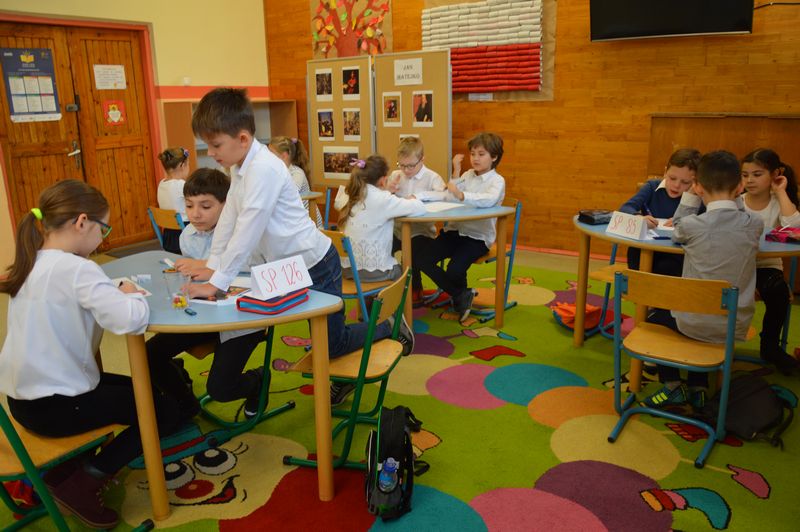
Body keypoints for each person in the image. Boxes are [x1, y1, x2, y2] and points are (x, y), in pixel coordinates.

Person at [178, 88, 414, 410]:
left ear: (243, 139)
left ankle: (388, 326)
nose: (211, 152)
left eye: (216, 145)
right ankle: (321, 373)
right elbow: (230, 216)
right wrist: (214, 264)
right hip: (287, 268)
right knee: (303, 330)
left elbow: (248, 229)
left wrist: (217, 280)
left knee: (331, 344)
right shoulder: (239, 167)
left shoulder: (263, 168)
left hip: (316, 265)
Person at [0, 179, 184, 529]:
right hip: (56, 406)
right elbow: (129, 320)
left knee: (137, 389)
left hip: (23, 402)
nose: (103, 238)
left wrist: (111, 291)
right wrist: (131, 294)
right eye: (104, 228)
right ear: (82, 222)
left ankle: (63, 473)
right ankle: (83, 483)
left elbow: (73, 297)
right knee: (161, 410)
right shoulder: (77, 269)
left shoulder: (33, 260)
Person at [641, 151, 763, 409]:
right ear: (740, 187)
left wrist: (690, 197)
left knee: (655, 317)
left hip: (693, 323)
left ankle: (673, 386)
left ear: (696, 187)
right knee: (702, 314)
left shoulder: (692, 226)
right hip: (734, 325)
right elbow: (740, 214)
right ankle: (698, 387)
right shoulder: (755, 223)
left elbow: (678, 226)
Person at [415, 132, 506, 323]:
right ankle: (461, 295)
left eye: (481, 154)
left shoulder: (497, 181)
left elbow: (488, 200)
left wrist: (462, 195)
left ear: (494, 157)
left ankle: (460, 297)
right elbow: (450, 197)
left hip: (477, 238)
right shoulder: (467, 175)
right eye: (472, 154)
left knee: (454, 270)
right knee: (421, 259)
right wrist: (456, 171)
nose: (475, 158)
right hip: (455, 232)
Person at [741, 148, 800, 373]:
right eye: (745, 175)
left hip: (766, 266)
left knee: (778, 293)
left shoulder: (779, 202)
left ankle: (770, 346)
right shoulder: (737, 202)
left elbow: (794, 229)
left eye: (757, 174)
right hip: (738, 265)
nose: (749, 180)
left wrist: (781, 191)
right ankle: (713, 342)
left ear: (775, 174)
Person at [335, 155, 425, 282]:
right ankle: (403, 295)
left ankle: (369, 296)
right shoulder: (383, 199)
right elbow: (419, 208)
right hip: (373, 272)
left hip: (347, 270)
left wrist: (386, 191)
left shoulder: (351, 193)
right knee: (404, 272)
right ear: (383, 180)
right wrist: (412, 198)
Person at [619, 148, 701, 276]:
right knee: (635, 252)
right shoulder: (652, 187)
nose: (676, 185)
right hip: (647, 247)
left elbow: (705, 222)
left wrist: (683, 221)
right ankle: (638, 285)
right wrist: (639, 217)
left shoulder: (697, 197)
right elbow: (626, 208)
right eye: (672, 178)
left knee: (668, 266)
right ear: (665, 172)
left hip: (676, 253)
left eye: (685, 182)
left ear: (695, 182)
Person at [386, 136, 446, 302]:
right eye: (402, 165)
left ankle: (415, 288)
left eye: (411, 165)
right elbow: (383, 200)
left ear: (422, 159)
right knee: (382, 247)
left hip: (422, 232)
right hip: (397, 229)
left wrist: (418, 196)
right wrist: (388, 191)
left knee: (411, 253)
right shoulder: (396, 175)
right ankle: (387, 286)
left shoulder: (432, 177)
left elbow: (443, 195)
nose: (406, 170)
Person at [269, 136, 324, 227]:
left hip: (310, 222)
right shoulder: (278, 172)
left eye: (271, 154)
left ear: (284, 156)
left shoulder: (296, 173)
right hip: (295, 221)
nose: (268, 158)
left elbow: (288, 194)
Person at [156, 146, 191, 254]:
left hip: (168, 236)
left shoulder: (161, 184)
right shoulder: (181, 185)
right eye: (188, 164)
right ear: (182, 165)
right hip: (185, 234)